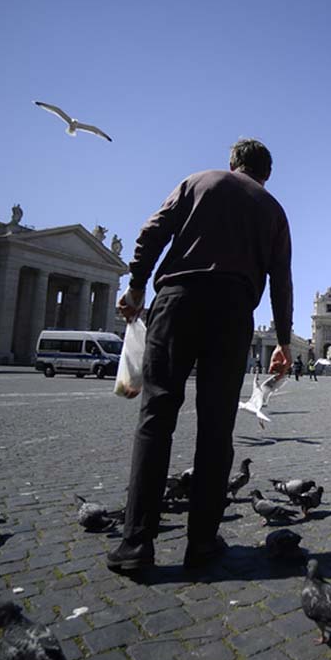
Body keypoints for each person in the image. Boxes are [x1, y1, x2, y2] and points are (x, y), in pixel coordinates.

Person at [108, 138, 293, 572]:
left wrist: (137, 286)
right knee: (216, 429)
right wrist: (283, 341)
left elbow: (151, 232)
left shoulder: (198, 181)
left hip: (178, 300)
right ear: (265, 174)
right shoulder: (273, 209)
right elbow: (281, 280)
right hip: (232, 313)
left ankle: (137, 543)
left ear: (232, 162)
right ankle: (202, 543)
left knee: (156, 417)